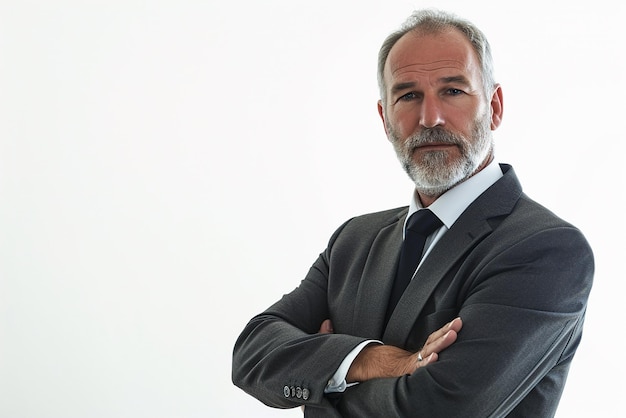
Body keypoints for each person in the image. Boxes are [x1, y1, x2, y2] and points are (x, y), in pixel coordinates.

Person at [232, 8, 594, 417]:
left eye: (453, 91)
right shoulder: (353, 240)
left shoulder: (546, 249)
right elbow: (251, 354)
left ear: (494, 107)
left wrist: (324, 382)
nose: (430, 118)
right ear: (385, 119)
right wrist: (373, 360)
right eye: (408, 95)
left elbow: (441, 409)